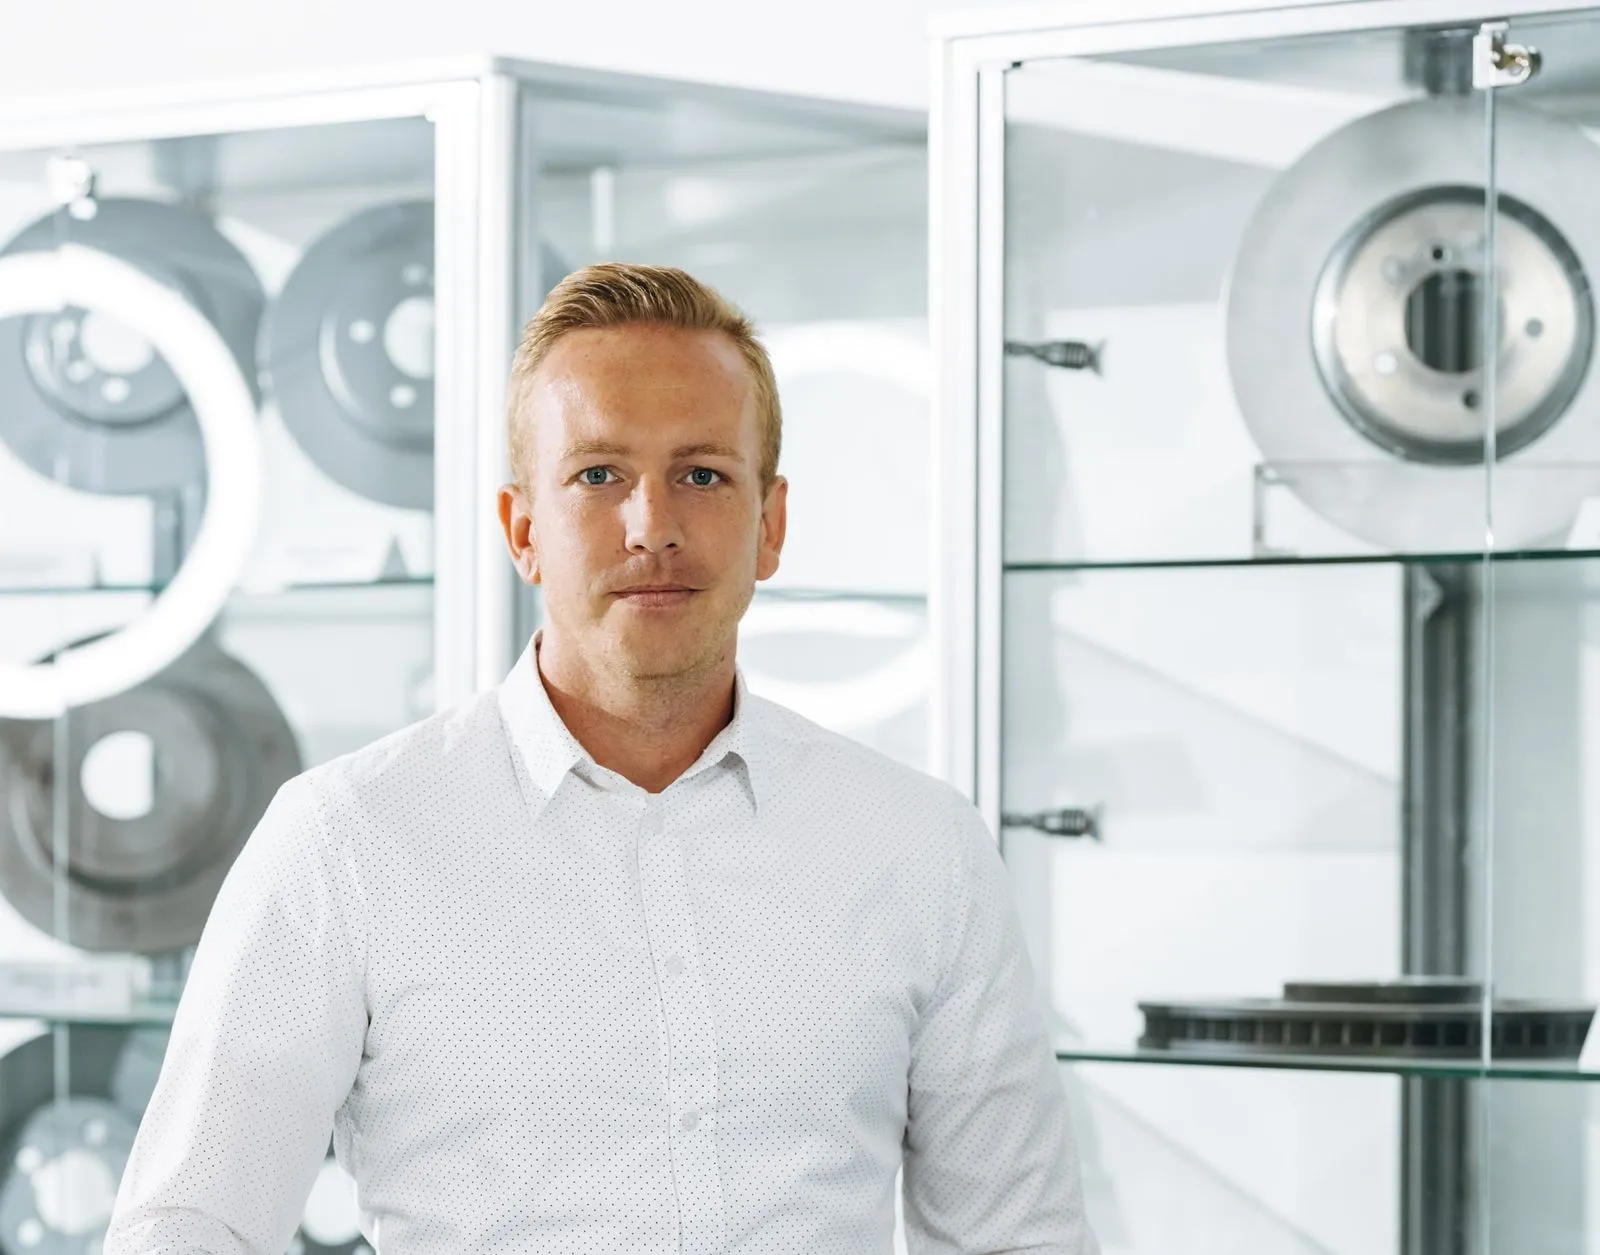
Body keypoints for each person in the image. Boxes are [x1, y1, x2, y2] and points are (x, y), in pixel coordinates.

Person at [103, 264, 1098, 1254]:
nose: (652, 525)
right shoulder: (347, 840)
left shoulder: (920, 847)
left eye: (702, 473)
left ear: (772, 523)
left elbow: (1018, 1235)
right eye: (598, 475)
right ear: (522, 527)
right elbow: (187, 1223)